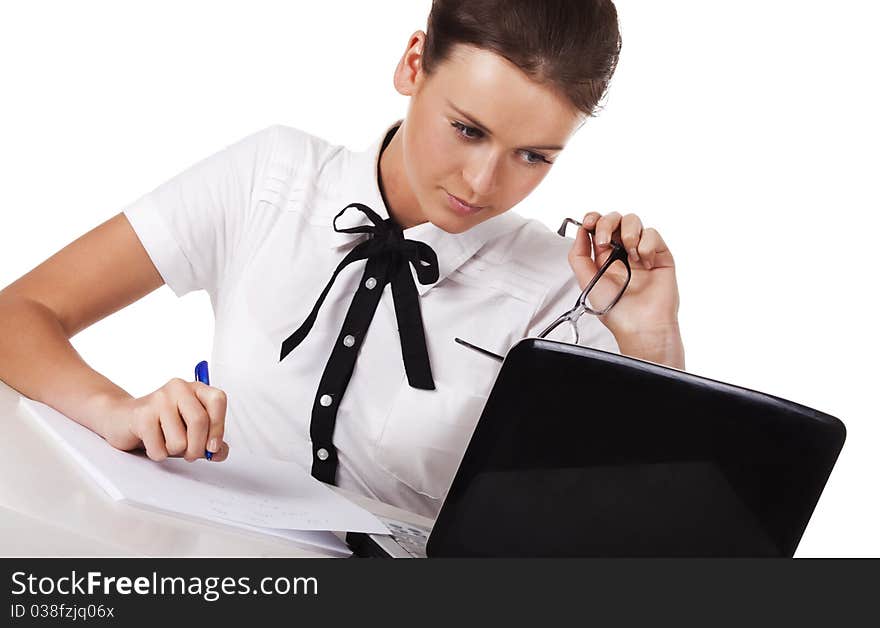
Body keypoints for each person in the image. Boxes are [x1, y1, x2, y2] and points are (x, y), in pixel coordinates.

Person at [0, 0, 684, 518]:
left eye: (534, 156)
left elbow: (638, 524)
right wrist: (114, 408)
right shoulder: (272, 177)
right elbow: (19, 314)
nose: (483, 182)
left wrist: (650, 340)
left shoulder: (567, 288)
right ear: (413, 64)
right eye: (467, 129)